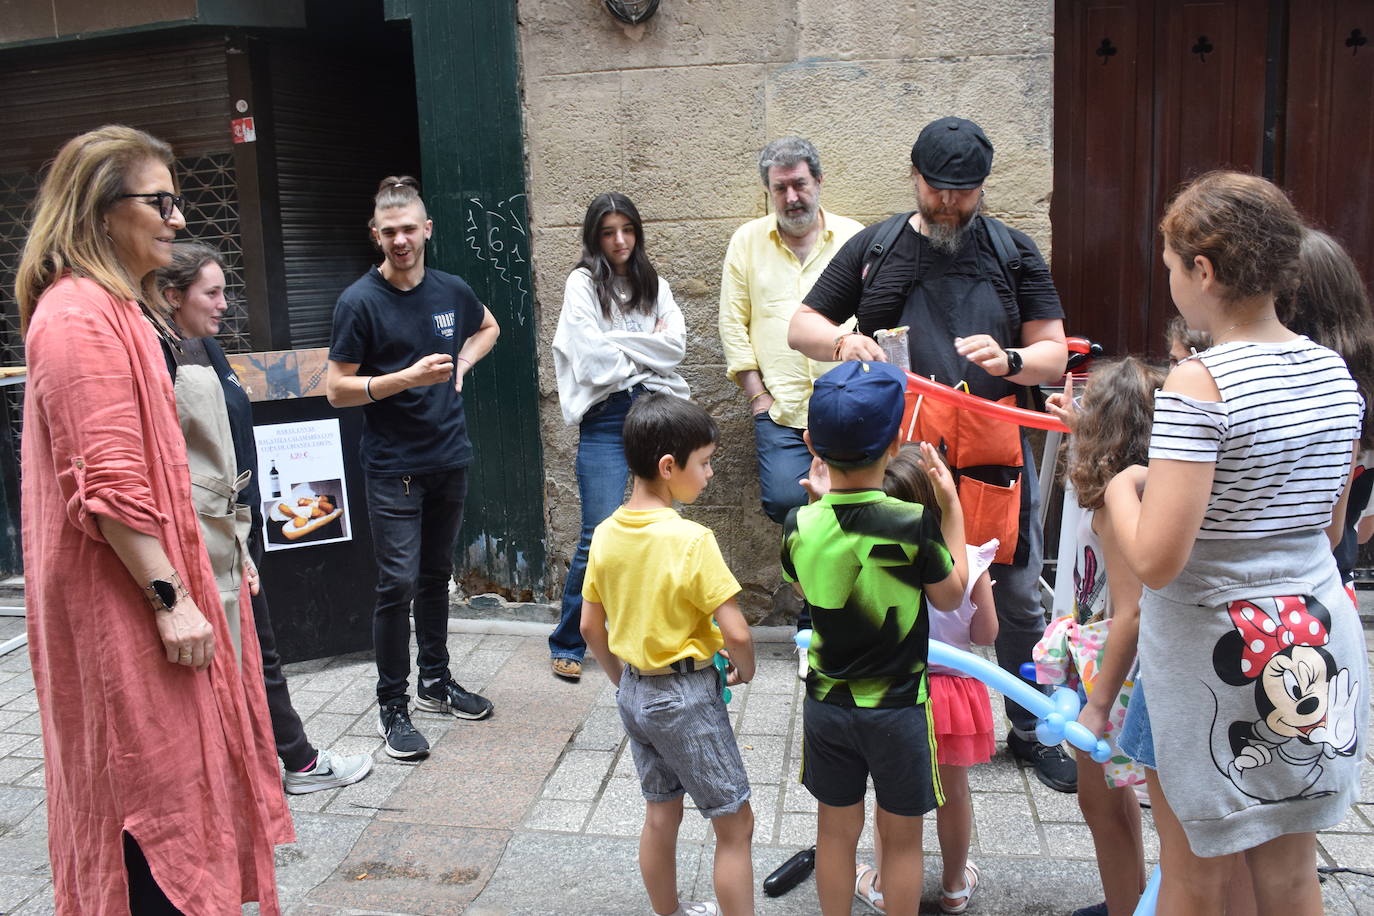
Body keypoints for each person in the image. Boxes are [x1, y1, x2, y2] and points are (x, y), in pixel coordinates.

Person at [15, 125, 292, 914]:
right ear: (103, 211)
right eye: (160, 201)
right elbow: (105, 480)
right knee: (145, 788)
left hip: (148, 598)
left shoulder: (119, 311)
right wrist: (172, 601)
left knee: (180, 777)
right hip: (123, 611)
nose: (177, 218)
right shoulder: (75, 316)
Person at [787, 116, 1075, 793]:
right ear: (915, 177)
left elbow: (1054, 351)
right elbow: (802, 323)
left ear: (982, 187)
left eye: (964, 192)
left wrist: (1011, 359)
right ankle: (898, 706)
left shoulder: (1013, 251)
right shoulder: (876, 248)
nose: (949, 203)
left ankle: (1031, 728)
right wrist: (840, 344)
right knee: (896, 581)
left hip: (993, 455)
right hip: (903, 459)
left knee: (1015, 594)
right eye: (939, 189)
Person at [1105, 171, 1365, 915]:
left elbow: (1157, 559)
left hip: (1219, 653)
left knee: (1194, 870)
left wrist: (1126, 489)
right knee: (1289, 872)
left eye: (1169, 268)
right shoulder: (1332, 370)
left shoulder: (1201, 383)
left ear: (1204, 270)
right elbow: (1331, 525)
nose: (1171, 285)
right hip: (1312, 634)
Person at [158, 242, 373, 794]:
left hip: (237, 530)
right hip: (208, 538)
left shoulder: (205, 347)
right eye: (212, 292)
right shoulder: (162, 360)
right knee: (254, 652)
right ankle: (289, 765)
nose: (225, 303)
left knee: (259, 650)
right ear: (172, 296)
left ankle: (280, 763)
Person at [782, 360, 969, 916]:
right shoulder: (914, 523)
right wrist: (952, 506)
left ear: (812, 441)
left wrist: (819, 505)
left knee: (835, 832)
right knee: (903, 836)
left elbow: (803, 579)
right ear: (894, 443)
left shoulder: (800, 524)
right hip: (898, 710)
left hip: (827, 705)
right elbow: (952, 595)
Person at [327, 176, 499, 760]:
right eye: (389, 231)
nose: (400, 240)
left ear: (427, 230)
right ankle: (392, 705)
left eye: (409, 229)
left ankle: (435, 682)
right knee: (396, 584)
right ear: (376, 235)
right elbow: (335, 391)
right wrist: (404, 379)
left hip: (448, 457)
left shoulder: (450, 289)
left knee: (434, 577)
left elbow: (490, 325)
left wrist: (460, 368)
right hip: (392, 466)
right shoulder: (359, 302)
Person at [579, 392, 756, 916]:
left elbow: (591, 626)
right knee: (735, 824)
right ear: (667, 466)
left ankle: (669, 912)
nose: (708, 476)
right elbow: (739, 635)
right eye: (703, 464)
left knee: (661, 814)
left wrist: (625, 681)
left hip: (636, 691)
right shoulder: (691, 539)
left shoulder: (606, 533)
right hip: (686, 698)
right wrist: (745, 671)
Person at [548, 192, 689, 681]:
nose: (620, 240)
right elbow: (590, 360)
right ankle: (569, 639)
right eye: (608, 232)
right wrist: (644, 351)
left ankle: (651, 634)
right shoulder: (582, 283)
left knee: (661, 525)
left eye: (627, 229)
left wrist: (621, 345)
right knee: (598, 532)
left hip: (656, 410)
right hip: (607, 417)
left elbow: (675, 348)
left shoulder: (654, 283)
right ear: (595, 236)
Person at [851, 444, 997, 916]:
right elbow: (986, 633)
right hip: (955, 693)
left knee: (890, 795)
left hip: (897, 690)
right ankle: (954, 885)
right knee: (953, 794)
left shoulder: (882, 559)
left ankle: (884, 883)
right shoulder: (971, 561)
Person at [1046, 358, 1164, 916]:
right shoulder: (1140, 485)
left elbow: (1131, 613)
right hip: (1107, 663)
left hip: (1113, 671)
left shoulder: (1119, 510)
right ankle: (1132, 898)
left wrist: (1095, 705)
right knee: (1113, 800)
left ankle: (1125, 905)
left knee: (1102, 803)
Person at [718, 137, 864, 524]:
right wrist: (757, 398)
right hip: (780, 409)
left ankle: (844, 584)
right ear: (768, 191)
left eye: (800, 184)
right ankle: (804, 584)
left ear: (819, 181)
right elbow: (733, 323)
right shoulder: (747, 243)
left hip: (849, 405)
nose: (791, 196)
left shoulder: (855, 238)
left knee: (855, 505)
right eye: (780, 188)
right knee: (787, 503)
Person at [1277, 228, 1374, 593]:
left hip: (1269, 592)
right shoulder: (1362, 387)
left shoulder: (1274, 388)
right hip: (1335, 586)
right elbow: (1363, 529)